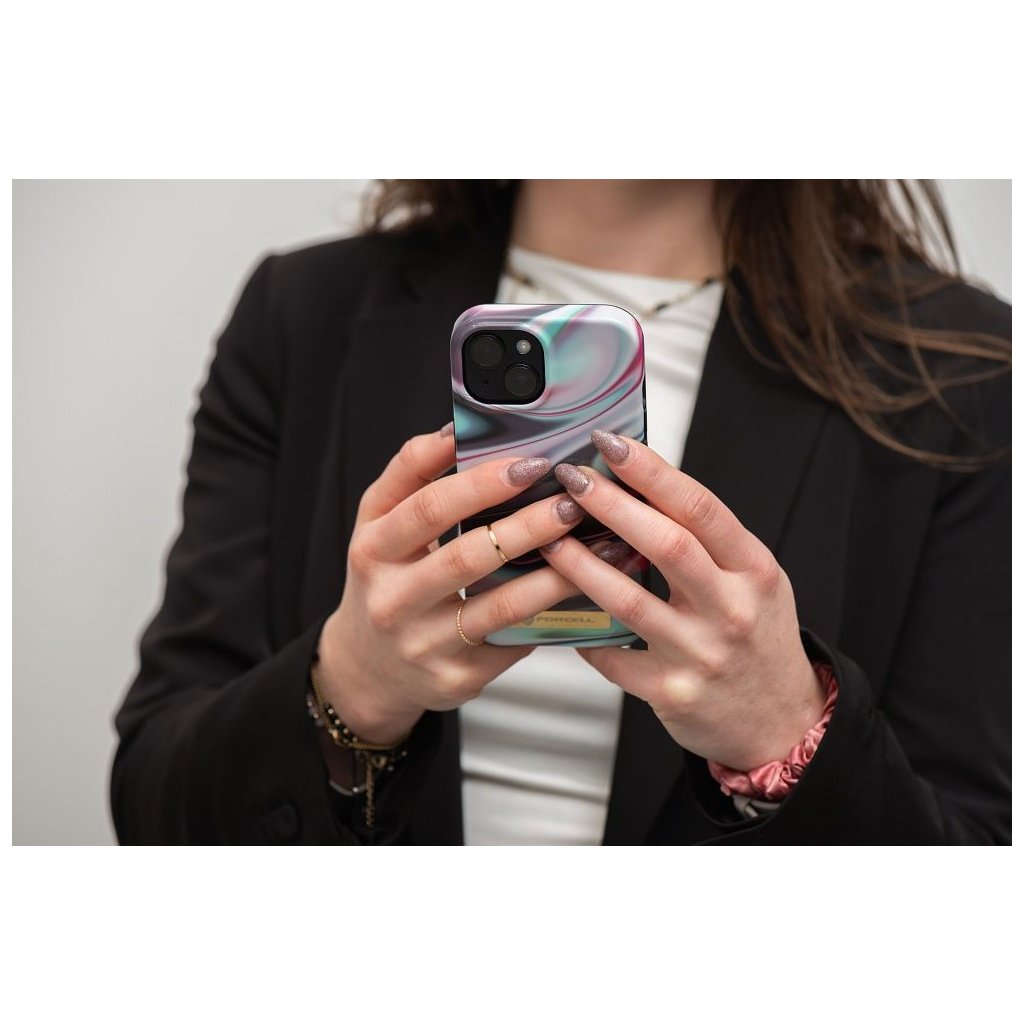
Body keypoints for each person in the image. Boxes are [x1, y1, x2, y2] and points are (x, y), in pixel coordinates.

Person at [108, 180, 1011, 845]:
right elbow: (152, 805)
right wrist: (350, 687)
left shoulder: (959, 370)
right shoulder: (304, 315)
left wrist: (785, 736)